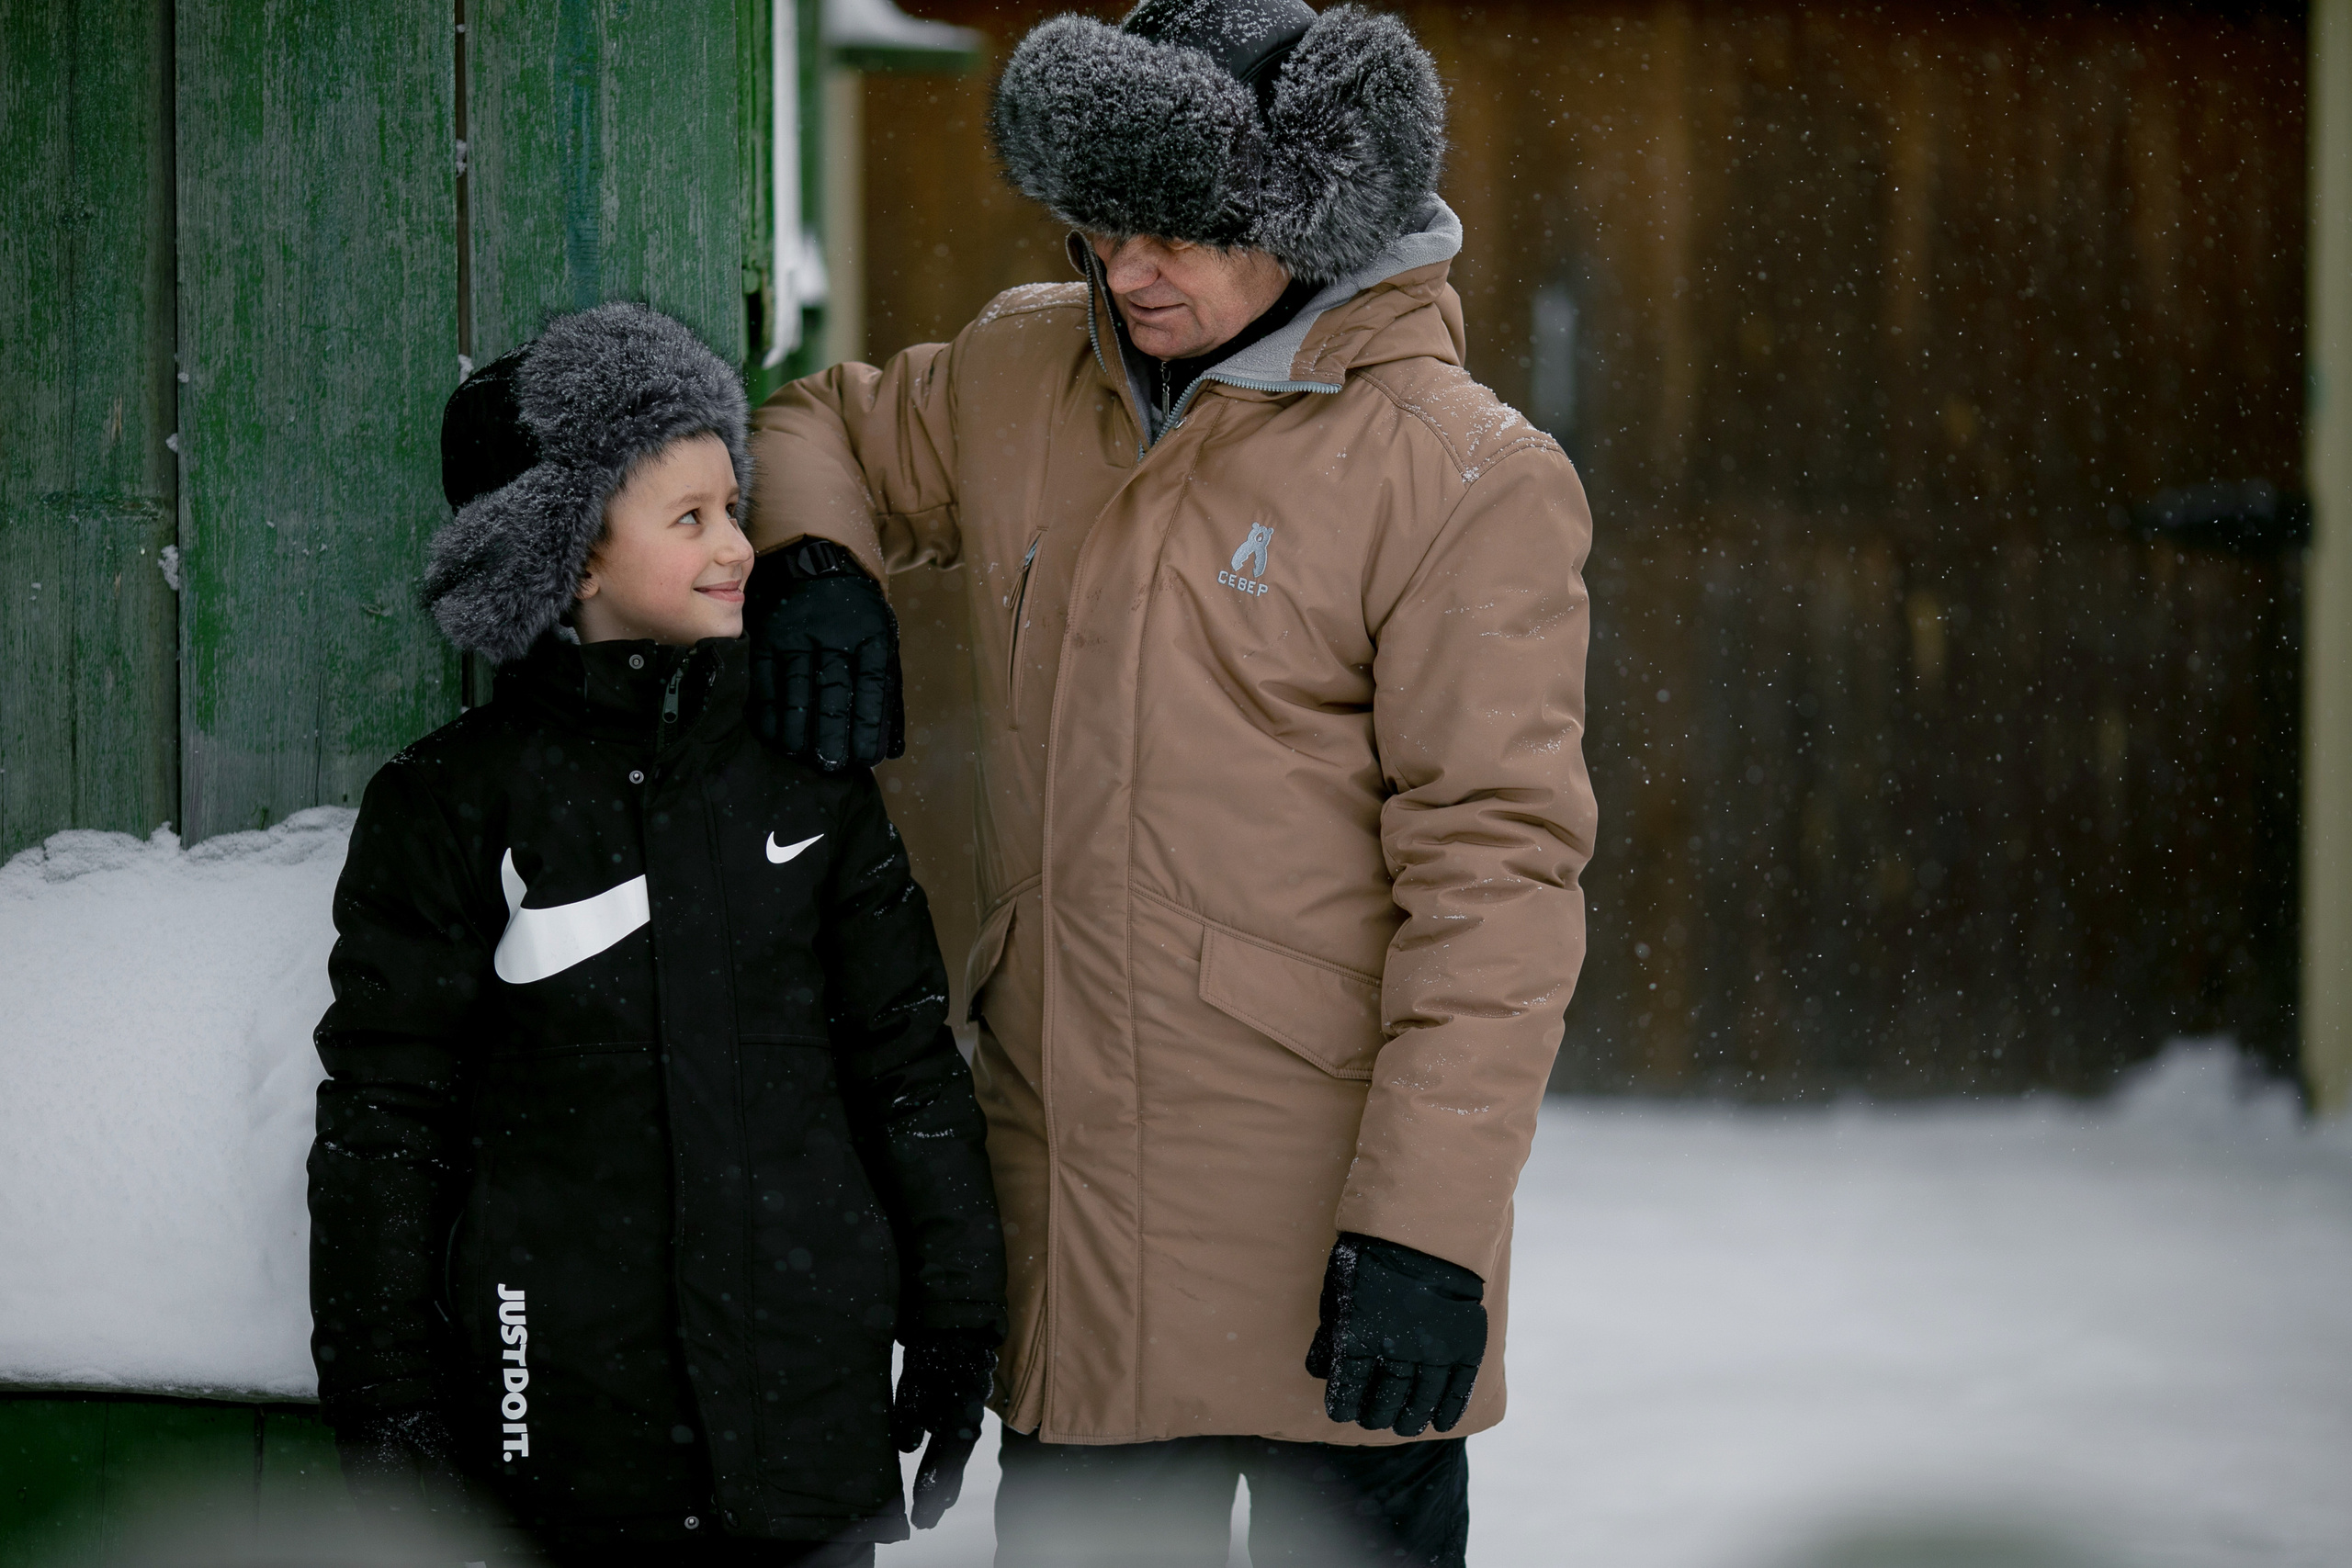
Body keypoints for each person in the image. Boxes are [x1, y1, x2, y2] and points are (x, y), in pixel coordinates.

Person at [745, 3, 1597, 1563]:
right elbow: (823, 429)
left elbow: (1500, 885)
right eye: (1106, 220)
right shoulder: (1022, 369)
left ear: (1309, 214)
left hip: (1330, 1260)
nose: (1134, 266)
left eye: (1189, 227)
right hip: (1073, 1234)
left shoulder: (1459, 474)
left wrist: (1427, 1236)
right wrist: (814, 559)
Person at [306, 303, 1006, 1566]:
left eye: (735, 505)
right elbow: (386, 1120)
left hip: (802, 1422)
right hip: (565, 1431)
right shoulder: (455, 806)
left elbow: (903, 1062)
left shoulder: (805, 784)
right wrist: (384, 1394)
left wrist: (957, 1311)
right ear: (569, 556)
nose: (743, 546)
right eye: (692, 519)